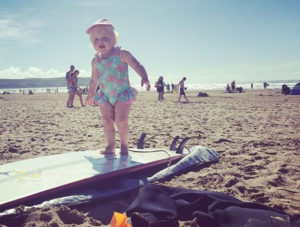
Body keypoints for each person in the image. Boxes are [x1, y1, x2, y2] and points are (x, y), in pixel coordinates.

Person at [84, 19, 151, 155]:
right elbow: (94, 79)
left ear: (114, 38)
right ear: (92, 43)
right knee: (106, 120)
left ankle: (124, 145)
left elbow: (136, 64)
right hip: (105, 95)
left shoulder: (121, 53)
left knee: (121, 120)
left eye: (104, 38)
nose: (100, 42)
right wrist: (90, 94)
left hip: (122, 93)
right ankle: (110, 146)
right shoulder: (95, 60)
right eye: (95, 39)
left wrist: (144, 77)